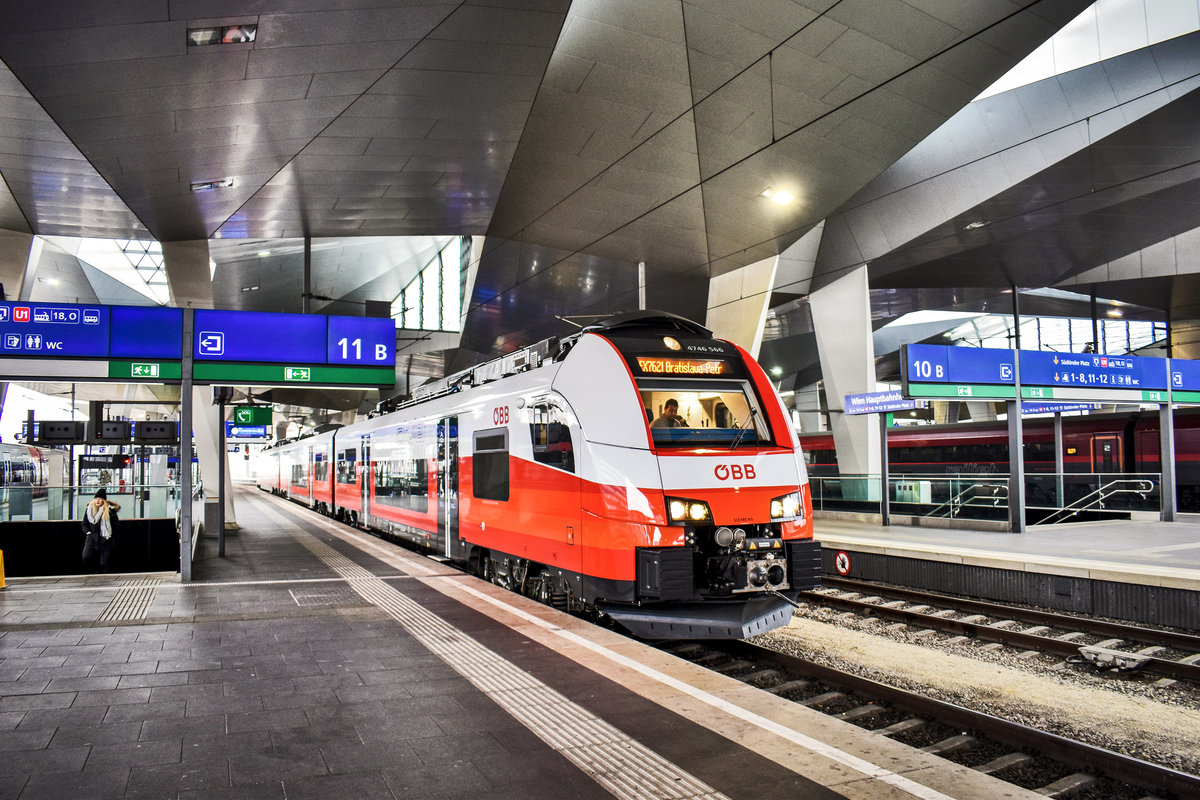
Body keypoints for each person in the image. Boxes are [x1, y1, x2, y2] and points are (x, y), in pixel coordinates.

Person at [81, 488, 120, 574]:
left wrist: (111, 536)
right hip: (92, 538)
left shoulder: (110, 510)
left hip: (106, 539)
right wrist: (88, 532)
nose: (97, 500)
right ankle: (94, 572)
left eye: (100, 498)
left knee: (104, 563)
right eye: (96, 498)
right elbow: (84, 524)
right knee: (86, 557)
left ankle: (103, 577)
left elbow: (116, 525)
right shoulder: (89, 510)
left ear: (104, 500)